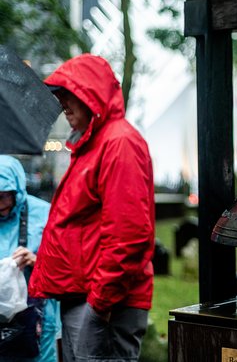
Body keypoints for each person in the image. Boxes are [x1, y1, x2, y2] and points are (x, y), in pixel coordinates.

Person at [29, 54, 155, 362]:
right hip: (84, 297)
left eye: (68, 95)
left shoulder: (118, 143)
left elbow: (130, 235)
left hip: (103, 302)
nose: (63, 105)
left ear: (90, 94)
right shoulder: (93, 144)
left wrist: (100, 303)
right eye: (60, 97)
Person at [0, 155, 60, 362]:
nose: (0, 205)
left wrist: (37, 261)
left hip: (37, 318)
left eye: (4, 196)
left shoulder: (45, 214)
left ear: (17, 189)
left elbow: (65, 265)